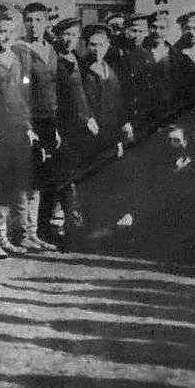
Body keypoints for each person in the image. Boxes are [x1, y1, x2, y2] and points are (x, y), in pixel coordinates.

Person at [0, 12, 34, 259]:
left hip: (16, 127)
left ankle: (4, 237)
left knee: (10, 182)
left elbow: (23, 95)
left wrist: (27, 125)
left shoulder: (19, 58)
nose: (5, 37)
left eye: (9, 32)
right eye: (1, 32)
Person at [42, 18, 91, 248]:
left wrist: (89, 117)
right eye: (66, 34)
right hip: (61, 126)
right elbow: (50, 97)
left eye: (74, 35)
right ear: (58, 36)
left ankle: (70, 227)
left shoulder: (77, 59)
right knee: (61, 179)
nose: (70, 39)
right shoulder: (53, 60)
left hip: (78, 128)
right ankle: (58, 229)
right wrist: (54, 128)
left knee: (74, 176)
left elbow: (81, 94)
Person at [14, 2, 60, 252]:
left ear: (46, 22)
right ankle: (23, 232)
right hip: (29, 120)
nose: (33, 25)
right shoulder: (20, 49)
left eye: (38, 20)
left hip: (48, 121)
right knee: (27, 179)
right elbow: (19, 90)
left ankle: (34, 232)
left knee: (41, 178)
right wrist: (26, 125)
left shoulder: (51, 50)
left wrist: (55, 127)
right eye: (29, 20)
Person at [81, 25, 129, 162]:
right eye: (93, 45)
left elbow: (118, 101)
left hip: (112, 133)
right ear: (86, 46)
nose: (97, 49)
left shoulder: (110, 69)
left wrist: (123, 123)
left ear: (108, 45)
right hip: (92, 134)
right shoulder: (81, 70)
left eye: (101, 44)